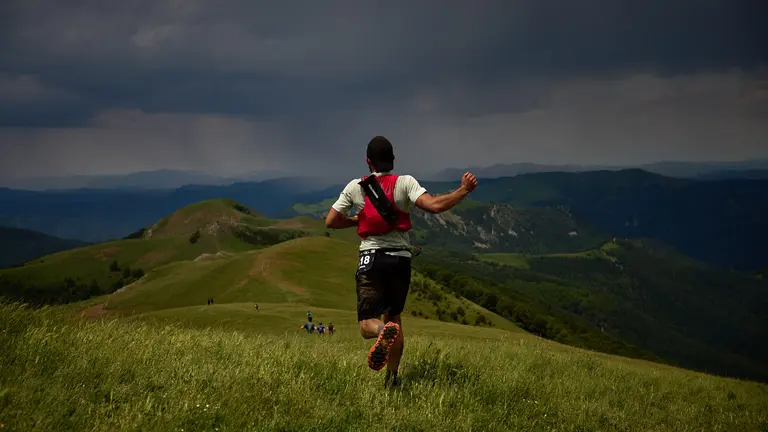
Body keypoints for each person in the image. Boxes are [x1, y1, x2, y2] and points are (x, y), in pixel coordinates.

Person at [325, 135, 478, 388]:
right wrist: (463, 190)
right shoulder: (406, 183)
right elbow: (435, 206)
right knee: (393, 318)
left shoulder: (356, 186)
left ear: (368, 161)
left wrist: (356, 220)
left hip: (372, 258)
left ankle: (380, 333)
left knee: (367, 324)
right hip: (400, 261)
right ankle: (392, 378)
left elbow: (331, 220)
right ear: (393, 160)